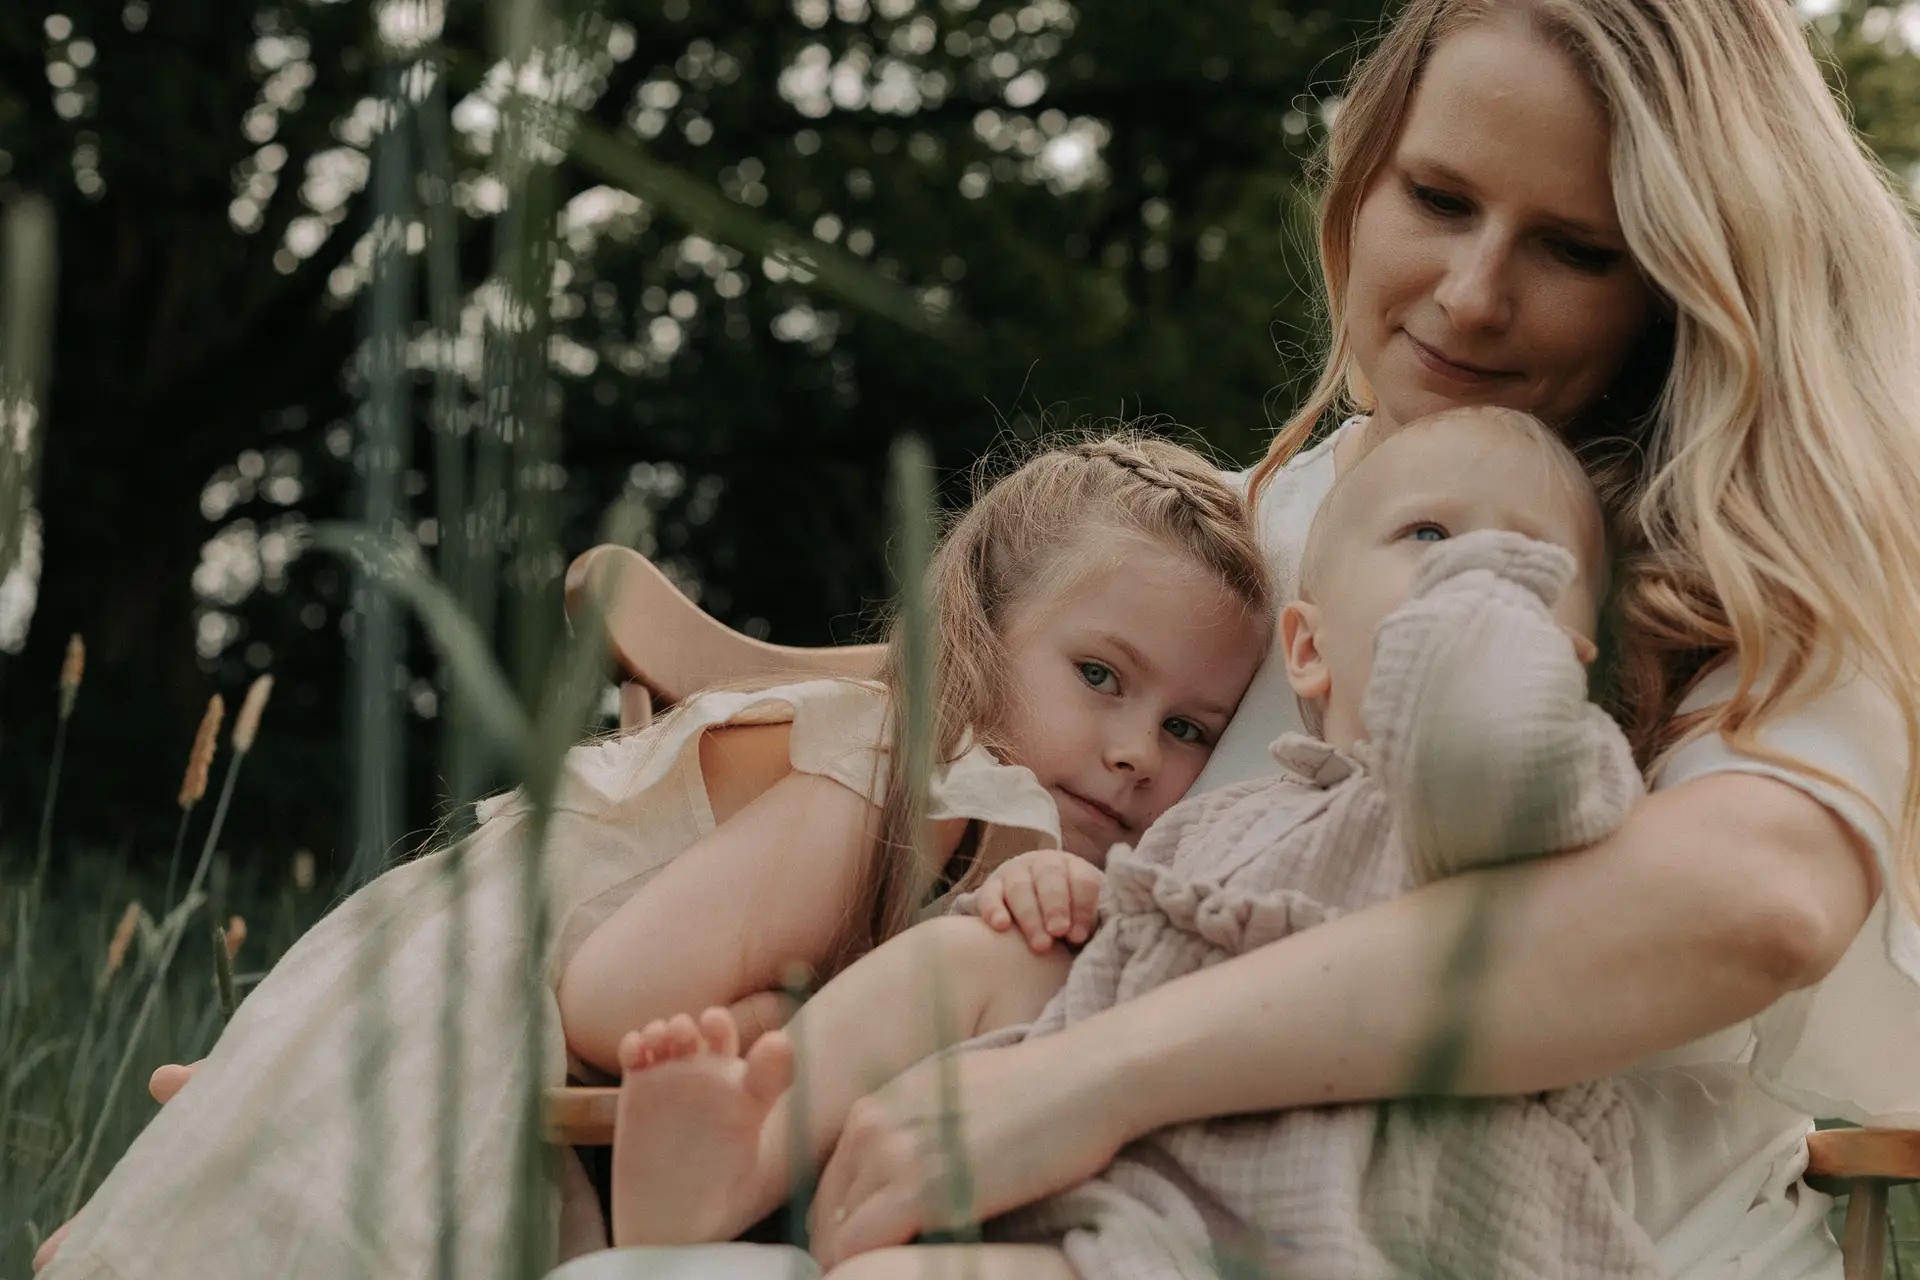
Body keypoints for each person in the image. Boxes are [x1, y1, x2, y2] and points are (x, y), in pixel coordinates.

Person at [800, 4, 1920, 1278]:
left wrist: (1096, 1077)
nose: (1472, 293)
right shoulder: (1220, 553)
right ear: (1359, 176)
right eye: (1439, 197)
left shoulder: (1761, 562)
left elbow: (1749, 900)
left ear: (1676, 284)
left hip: (1601, 1241)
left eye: (1573, 249)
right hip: (1150, 1228)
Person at [33, 435, 1273, 1280]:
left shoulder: (987, 835)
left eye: (1188, 728)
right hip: (469, 1000)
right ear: (985, 639)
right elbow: (613, 990)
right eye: (1100, 675)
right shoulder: (887, 778)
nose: (1131, 753)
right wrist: (771, 1012)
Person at [607, 405, 1669, 1279]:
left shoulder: (1539, 798)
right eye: (1433, 537)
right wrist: (1059, 893)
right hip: (1139, 1170)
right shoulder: (1240, 806)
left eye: (1526, 561)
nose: (1477, 573)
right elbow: (1134, 949)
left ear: (1572, 659)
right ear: (1308, 648)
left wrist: (1493, 651)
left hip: (1318, 1200)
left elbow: (1508, 762)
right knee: (980, 951)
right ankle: (733, 1168)